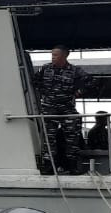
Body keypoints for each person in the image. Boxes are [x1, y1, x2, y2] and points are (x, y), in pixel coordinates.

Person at [32, 46, 92, 174]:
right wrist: (44, 93)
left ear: (64, 56)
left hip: (67, 109)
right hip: (49, 108)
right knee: (48, 138)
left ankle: (72, 166)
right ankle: (49, 167)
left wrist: (79, 91)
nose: (52, 57)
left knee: (72, 138)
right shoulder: (45, 69)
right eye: (52, 55)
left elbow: (90, 81)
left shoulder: (75, 71)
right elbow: (35, 81)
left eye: (56, 55)